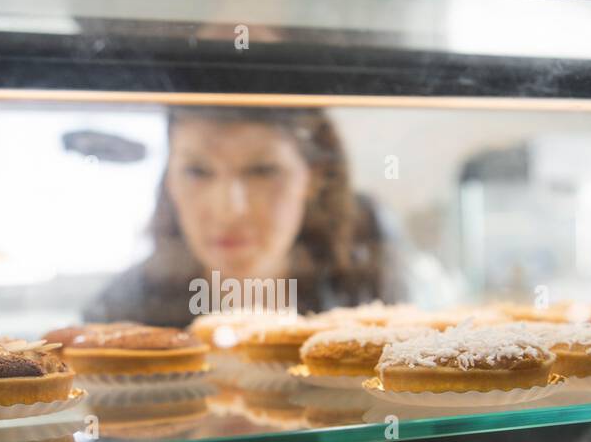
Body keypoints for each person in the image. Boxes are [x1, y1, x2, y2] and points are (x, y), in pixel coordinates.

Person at [83, 105, 449, 325]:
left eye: (262, 171)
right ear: (169, 181)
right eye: (197, 171)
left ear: (314, 177)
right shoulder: (121, 311)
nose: (230, 210)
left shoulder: (373, 295)